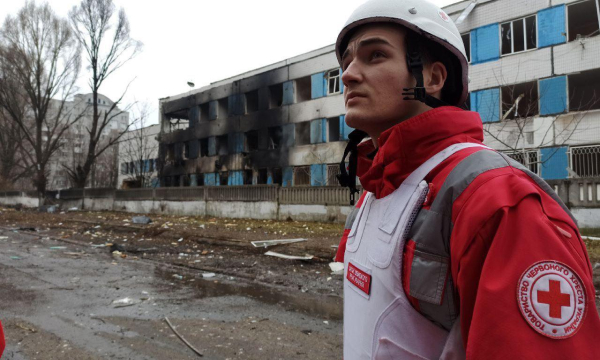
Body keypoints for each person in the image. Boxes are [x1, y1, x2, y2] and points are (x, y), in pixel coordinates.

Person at [333, 0, 600, 359]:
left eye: (375, 55)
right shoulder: (374, 188)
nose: (348, 74)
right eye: (347, 60)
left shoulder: (498, 200)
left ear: (434, 78)